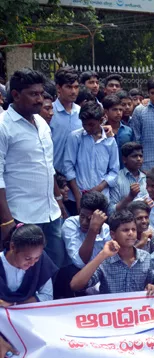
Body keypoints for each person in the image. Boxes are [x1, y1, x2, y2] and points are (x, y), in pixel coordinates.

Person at [0, 68, 67, 268]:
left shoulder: (42, 123)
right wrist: (6, 221)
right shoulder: (3, 126)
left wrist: (58, 200)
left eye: (41, 94)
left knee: (54, 266)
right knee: (22, 270)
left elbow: (48, 166)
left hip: (50, 213)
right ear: (15, 95)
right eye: (33, 94)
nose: (39, 99)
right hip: (20, 215)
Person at [69, 210, 154, 295]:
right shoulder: (105, 260)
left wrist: (151, 287)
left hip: (138, 312)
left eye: (133, 229)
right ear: (113, 234)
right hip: (113, 313)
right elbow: (75, 285)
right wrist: (102, 255)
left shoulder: (146, 257)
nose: (131, 233)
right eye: (125, 230)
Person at [64, 101, 120, 206]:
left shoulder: (109, 141)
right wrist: (78, 196)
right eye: (84, 124)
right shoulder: (75, 137)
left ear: (101, 120)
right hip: (77, 196)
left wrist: (99, 188)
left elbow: (114, 171)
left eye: (91, 124)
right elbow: (68, 167)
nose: (87, 128)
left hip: (101, 197)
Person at [0, 224, 55, 305]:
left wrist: (14, 304)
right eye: (28, 258)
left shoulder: (41, 260)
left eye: (36, 258)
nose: (32, 263)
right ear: (12, 247)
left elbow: (47, 296)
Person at [50, 66, 82, 174]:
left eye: (76, 87)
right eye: (69, 87)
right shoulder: (49, 113)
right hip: (54, 175)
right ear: (58, 88)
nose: (73, 91)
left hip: (77, 177)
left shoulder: (81, 113)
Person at [110, 142, 147, 214]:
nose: (139, 159)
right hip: (125, 222)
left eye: (140, 156)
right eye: (134, 156)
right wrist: (130, 197)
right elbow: (111, 211)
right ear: (124, 159)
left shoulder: (146, 178)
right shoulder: (116, 179)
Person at [103, 94, 134, 167]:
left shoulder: (128, 131)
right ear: (106, 111)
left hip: (124, 171)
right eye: (114, 109)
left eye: (120, 110)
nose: (118, 113)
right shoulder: (101, 131)